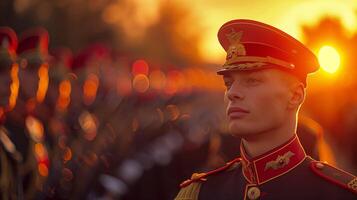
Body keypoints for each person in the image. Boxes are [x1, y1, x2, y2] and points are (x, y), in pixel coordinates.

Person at [175, 19, 357, 200]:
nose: (232, 93)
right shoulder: (200, 194)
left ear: (295, 95)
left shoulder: (339, 195)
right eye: (228, 83)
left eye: (252, 80)